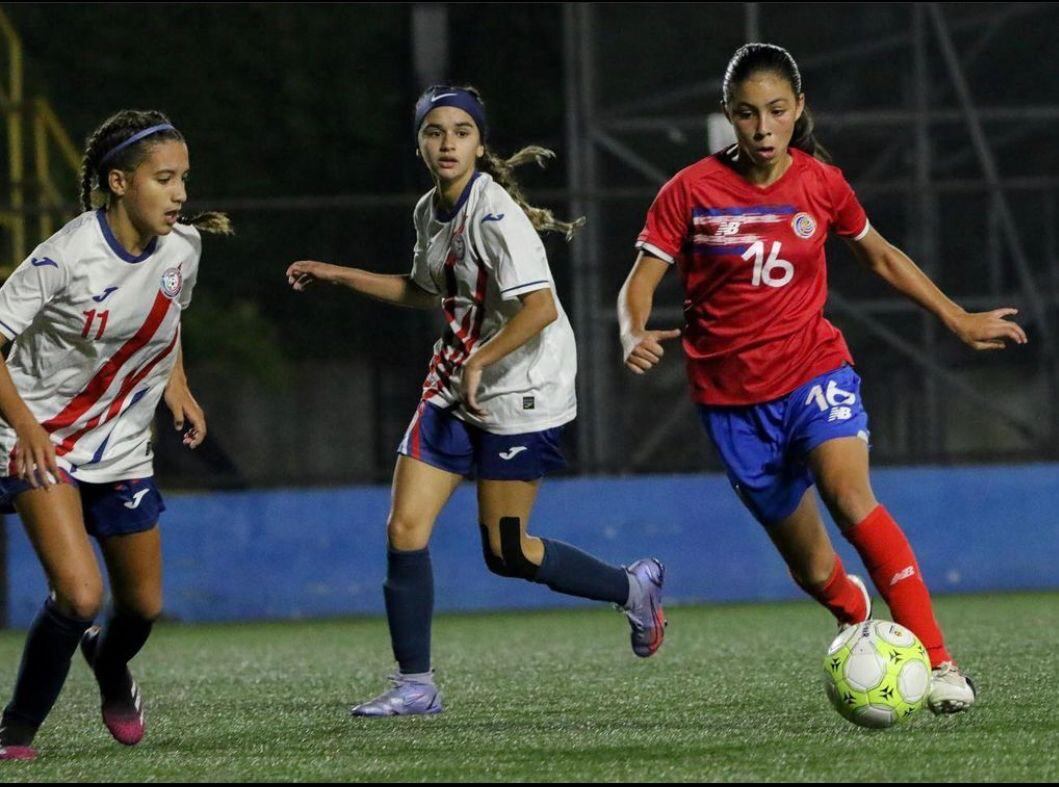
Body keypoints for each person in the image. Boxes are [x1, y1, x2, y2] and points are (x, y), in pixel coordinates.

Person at [619, 43, 1026, 715]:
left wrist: (956, 318)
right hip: (731, 403)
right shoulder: (688, 191)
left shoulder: (822, 184)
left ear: (799, 108)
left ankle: (940, 661)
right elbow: (639, 282)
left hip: (814, 370)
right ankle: (853, 611)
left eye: (777, 111)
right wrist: (633, 331)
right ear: (728, 114)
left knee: (848, 494)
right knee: (812, 568)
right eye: (747, 113)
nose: (762, 128)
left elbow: (880, 256)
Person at [287, 84, 665, 717]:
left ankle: (633, 588)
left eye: (461, 132)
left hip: (521, 389)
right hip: (455, 383)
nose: (448, 143)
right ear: (419, 143)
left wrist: (481, 360)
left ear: (480, 145)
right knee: (404, 528)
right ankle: (415, 685)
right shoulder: (429, 210)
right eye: (435, 131)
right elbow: (424, 289)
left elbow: (540, 308)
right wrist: (339, 274)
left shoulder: (495, 216)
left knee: (507, 554)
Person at [0, 110, 230, 760]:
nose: (180, 193)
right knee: (79, 594)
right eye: (164, 179)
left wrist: (177, 385)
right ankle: (16, 729)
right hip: (41, 438)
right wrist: (24, 426)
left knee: (142, 607)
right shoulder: (66, 256)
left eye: (183, 178)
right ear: (120, 182)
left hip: (122, 446)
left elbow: (165, 317)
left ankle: (107, 662)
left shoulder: (183, 248)